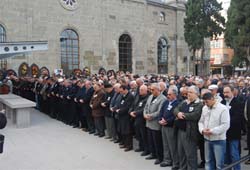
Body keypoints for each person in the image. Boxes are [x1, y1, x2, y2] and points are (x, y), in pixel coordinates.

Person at [174, 85, 203, 170]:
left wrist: (182, 115)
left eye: (190, 92)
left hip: (190, 132)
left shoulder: (199, 104)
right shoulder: (184, 102)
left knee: (190, 154)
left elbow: (195, 115)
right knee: (181, 153)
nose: (188, 94)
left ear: (197, 94)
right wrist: (178, 113)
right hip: (180, 131)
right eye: (188, 92)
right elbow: (175, 109)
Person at [199, 92, 230, 170]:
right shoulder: (204, 108)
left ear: (212, 99)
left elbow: (225, 125)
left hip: (218, 140)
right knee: (208, 162)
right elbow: (201, 121)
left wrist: (212, 131)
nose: (206, 104)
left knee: (219, 164)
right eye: (204, 102)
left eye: (207, 102)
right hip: (207, 139)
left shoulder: (223, 108)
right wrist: (202, 130)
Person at [222, 85, 244, 170]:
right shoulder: (222, 103)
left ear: (232, 92)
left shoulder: (238, 102)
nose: (225, 94)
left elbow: (238, 117)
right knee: (225, 155)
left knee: (234, 154)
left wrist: (225, 123)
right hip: (224, 133)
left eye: (227, 92)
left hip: (234, 133)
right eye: (224, 92)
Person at [144, 83, 166, 165]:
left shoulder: (163, 98)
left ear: (158, 89)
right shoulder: (150, 97)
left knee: (157, 142)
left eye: (153, 90)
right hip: (148, 122)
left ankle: (159, 157)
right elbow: (146, 107)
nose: (151, 91)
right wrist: (145, 114)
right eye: (150, 89)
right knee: (151, 140)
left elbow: (159, 111)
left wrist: (151, 116)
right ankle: (153, 154)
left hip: (155, 123)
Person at [158, 86, 180, 169]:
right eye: (167, 94)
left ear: (174, 95)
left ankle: (175, 162)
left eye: (170, 94)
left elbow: (175, 116)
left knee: (172, 145)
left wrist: (167, 121)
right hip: (163, 126)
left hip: (171, 127)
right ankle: (167, 160)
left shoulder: (177, 103)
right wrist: (160, 119)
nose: (168, 96)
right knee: (165, 144)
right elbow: (161, 111)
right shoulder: (166, 102)